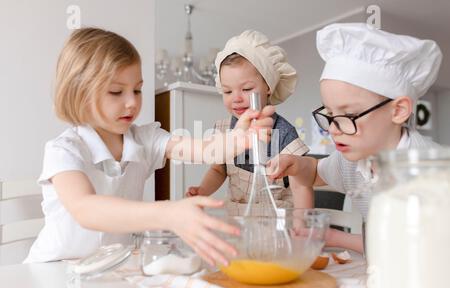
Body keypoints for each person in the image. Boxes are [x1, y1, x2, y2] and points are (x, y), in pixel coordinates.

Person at [24, 27, 275, 266]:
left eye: (137, 90)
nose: (132, 102)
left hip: (110, 267)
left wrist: (237, 139)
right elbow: (85, 209)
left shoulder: (146, 139)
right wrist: (167, 213)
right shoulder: (64, 150)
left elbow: (204, 149)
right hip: (54, 270)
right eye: (115, 92)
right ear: (79, 92)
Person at [267, 23, 443, 253]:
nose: (333, 129)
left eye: (349, 115)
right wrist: (297, 164)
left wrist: (333, 237)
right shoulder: (351, 161)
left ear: (398, 110)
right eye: (330, 115)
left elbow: (415, 249)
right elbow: (313, 172)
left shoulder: (430, 174)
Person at [186, 30, 314, 214]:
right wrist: (203, 191)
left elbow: (301, 185)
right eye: (227, 92)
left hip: (276, 224)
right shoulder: (223, 130)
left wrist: (303, 224)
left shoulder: (283, 133)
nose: (236, 98)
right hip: (238, 222)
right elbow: (218, 170)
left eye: (246, 89)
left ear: (268, 87)